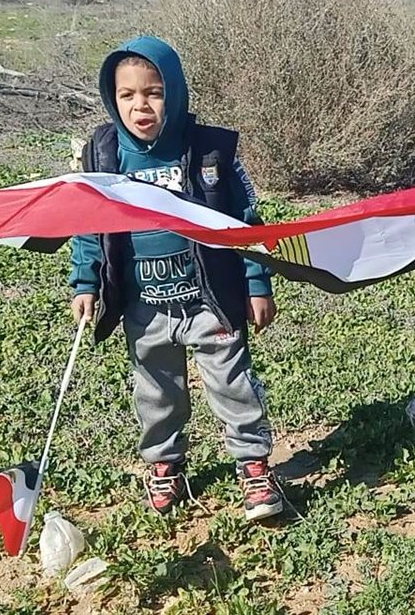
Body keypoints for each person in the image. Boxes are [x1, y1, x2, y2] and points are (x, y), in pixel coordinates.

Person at [69, 36, 283, 521]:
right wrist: (86, 283)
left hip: (209, 299)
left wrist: (257, 283)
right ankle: (165, 464)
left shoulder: (209, 150)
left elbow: (247, 223)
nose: (140, 106)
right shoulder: (103, 155)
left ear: (177, 93)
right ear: (112, 98)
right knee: (156, 391)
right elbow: (86, 226)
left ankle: (253, 465)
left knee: (233, 385)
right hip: (144, 305)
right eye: (127, 95)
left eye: (154, 92)